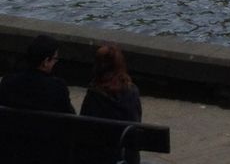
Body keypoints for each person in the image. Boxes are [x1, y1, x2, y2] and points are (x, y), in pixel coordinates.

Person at [0, 33, 75, 164]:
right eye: (54, 59)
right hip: (46, 153)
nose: (55, 63)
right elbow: (69, 119)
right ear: (46, 61)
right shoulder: (57, 88)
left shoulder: (8, 82)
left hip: (11, 151)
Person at [79, 43, 143, 164]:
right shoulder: (132, 92)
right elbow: (136, 123)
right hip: (126, 157)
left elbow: (84, 128)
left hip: (99, 158)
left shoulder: (94, 95)